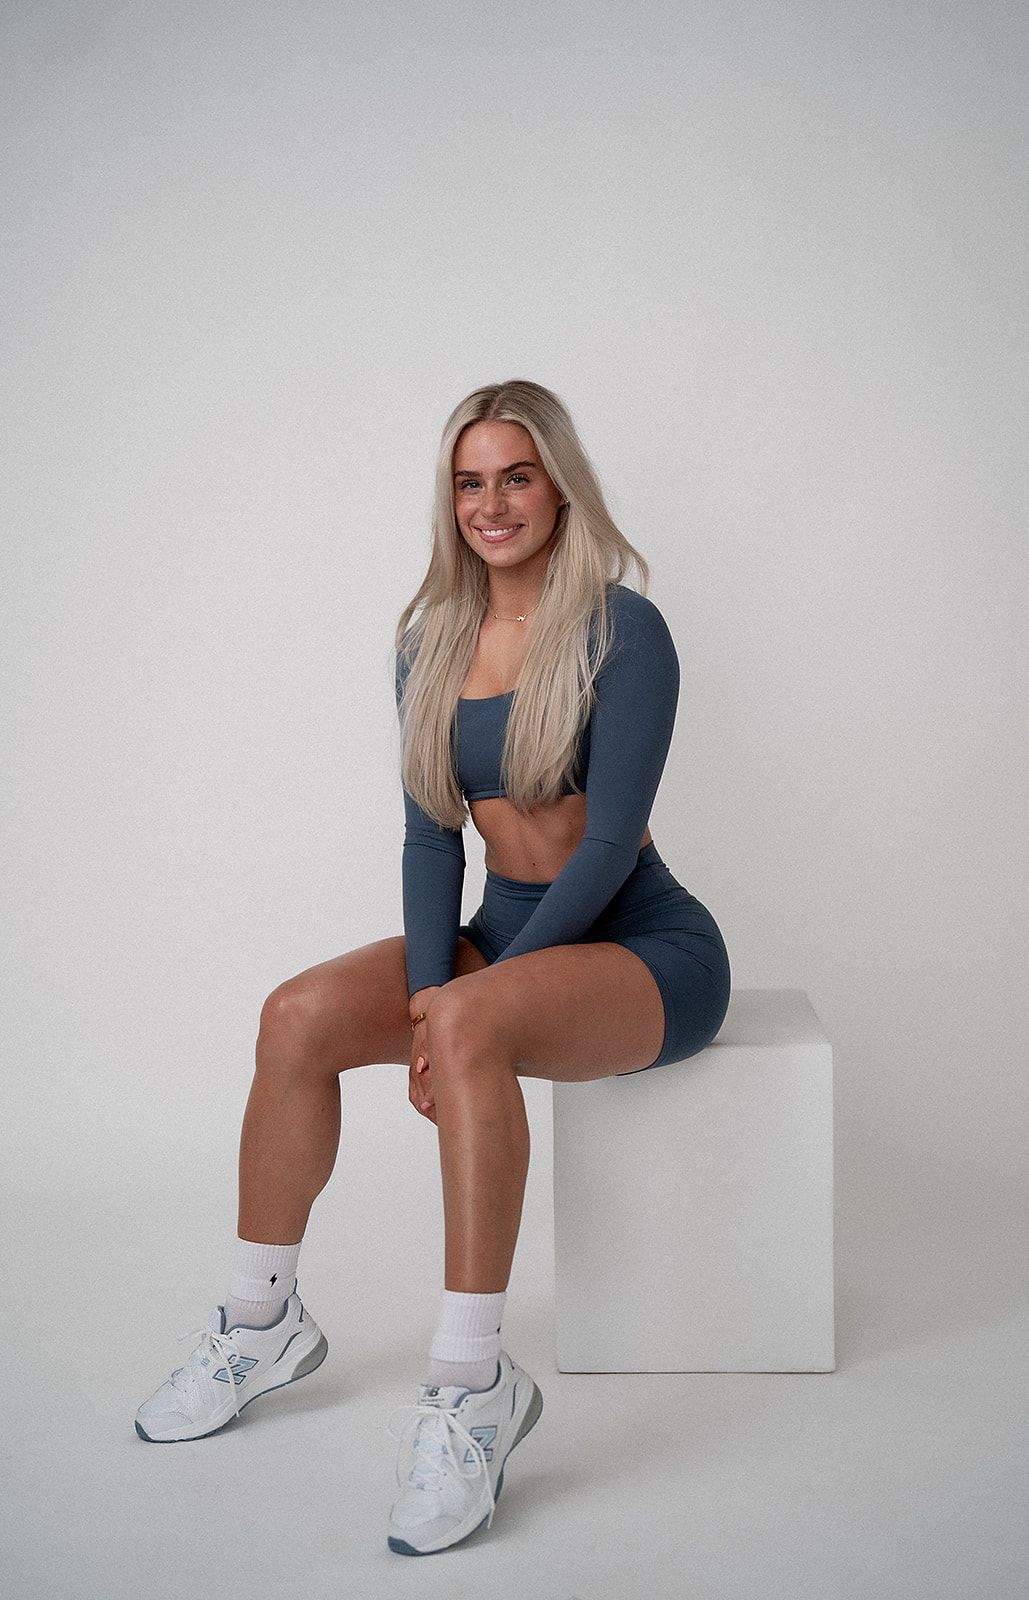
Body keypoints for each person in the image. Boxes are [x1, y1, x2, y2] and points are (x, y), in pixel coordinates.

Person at [134, 378, 731, 1556]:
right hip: (501, 936)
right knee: (295, 1014)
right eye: (470, 480)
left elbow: (608, 846)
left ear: (558, 484)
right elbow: (428, 839)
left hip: (641, 943)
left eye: (516, 475)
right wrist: (427, 994)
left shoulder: (624, 628)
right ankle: (261, 1320)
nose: (492, 502)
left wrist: (461, 1009)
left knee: (468, 1025)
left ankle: (471, 1388)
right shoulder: (429, 644)